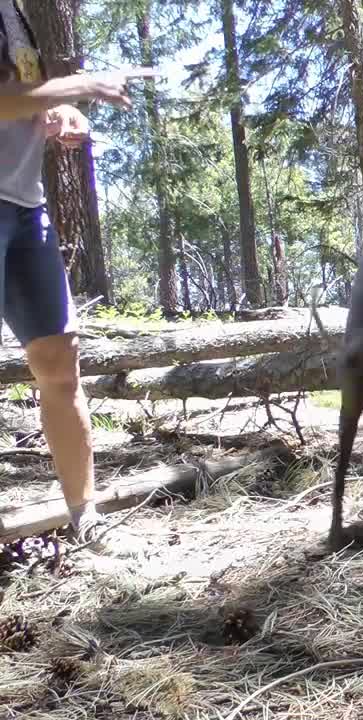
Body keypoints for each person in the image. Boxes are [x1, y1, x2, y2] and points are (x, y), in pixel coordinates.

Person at [1, 0, 157, 556]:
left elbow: (18, 97)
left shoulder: (15, 13)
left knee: (59, 368)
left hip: (25, 206)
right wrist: (74, 86)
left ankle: (85, 517)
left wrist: (58, 114)